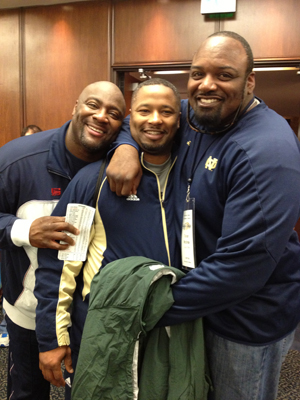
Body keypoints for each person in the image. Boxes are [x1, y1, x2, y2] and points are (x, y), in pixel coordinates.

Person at [106, 31, 300, 400]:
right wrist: (126, 148)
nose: (206, 85)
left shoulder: (265, 152)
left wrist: (146, 308)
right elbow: (148, 121)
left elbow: (240, 270)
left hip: (245, 322)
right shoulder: (196, 112)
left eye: (224, 75)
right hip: (200, 303)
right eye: (197, 74)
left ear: (249, 82)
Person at [35, 78, 186, 399]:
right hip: (100, 329)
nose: (155, 120)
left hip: (172, 329)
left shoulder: (193, 176)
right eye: (145, 110)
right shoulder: (92, 180)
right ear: (133, 116)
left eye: (166, 112)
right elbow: (60, 263)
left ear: (179, 118)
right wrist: (53, 337)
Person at [0, 81, 125, 400]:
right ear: (75, 106)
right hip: (26, 312)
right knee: (27, 393)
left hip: (87, 318)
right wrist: (24, 230)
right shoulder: (17, 161)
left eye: (113, 113)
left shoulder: (120, 166)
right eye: (93, 105)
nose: (101, 116)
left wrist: (129, 148)